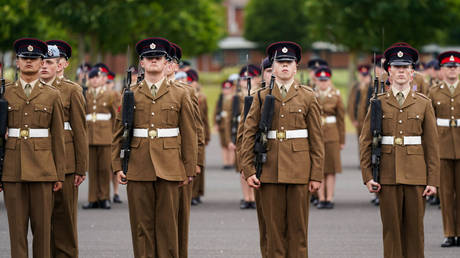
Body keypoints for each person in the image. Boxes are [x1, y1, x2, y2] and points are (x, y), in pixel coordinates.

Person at [112, 37, 197, 258]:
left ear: (165, 61)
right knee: (141, 227)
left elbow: (189, 133)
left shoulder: (180, 93)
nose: (153, 61)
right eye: (148, 58)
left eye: (158, 57)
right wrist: (118, 164)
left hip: (170, 165)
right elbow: (119, 131)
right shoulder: (131, 92)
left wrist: (188, 169)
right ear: (141, 62)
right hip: (139, 164)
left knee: (168, 227)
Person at [241, 41, 324, 257]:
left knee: (298, 231)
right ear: (273, 67)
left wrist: (316, 174)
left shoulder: (308, 96)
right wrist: (248, 169)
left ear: (296, 67)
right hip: (269, 171)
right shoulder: (260, 96)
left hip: (299, 171)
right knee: (273, 232)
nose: (285, 67)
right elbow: (248, 134)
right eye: (280, 63)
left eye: (289, 63)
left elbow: (316, 139)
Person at [360, 42, 439, 258]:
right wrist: (367, 176)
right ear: (389, 72)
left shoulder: (424, 103)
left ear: (413, 73)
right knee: (391, 232)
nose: (401, 71)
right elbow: (365, 141)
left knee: (415, 233)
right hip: (387, 174)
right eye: (396, 67)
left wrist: (433, 180)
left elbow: (432, 145)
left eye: (406, 67)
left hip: (416, 176)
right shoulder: (378, 102)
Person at [1, 38, 66, 258]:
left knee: (42, 231)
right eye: (24, 58)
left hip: (43, 169)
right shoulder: (5, 94)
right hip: (12, 168)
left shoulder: (52, 95)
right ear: (17, 63)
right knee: (16, 231)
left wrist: (59, 173)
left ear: (41, 63)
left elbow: (58, 137)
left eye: (34, 59)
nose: (29, 62)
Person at [40, 43, 88, 258]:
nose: (43, 66)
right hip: (38, 160)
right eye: (42, 61)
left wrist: (81, 167)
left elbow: (80, 131)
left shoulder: (71, 90)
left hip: (67, 163)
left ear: (62, 65)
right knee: (41, 221)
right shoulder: (32, 88)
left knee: (64, 220)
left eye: (49, 62)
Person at [427, 50, 460, 247]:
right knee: (446, 193)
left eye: (455, 67)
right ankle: (449, 232)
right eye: (448, 67)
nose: (452, 70)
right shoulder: (434, 91)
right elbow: (429, 123)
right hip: (442, 146)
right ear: (442, 70)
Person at [83, 66, 117, 209]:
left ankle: (104, 197)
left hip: (105, 136)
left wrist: (115, 136)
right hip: (90, 136)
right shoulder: (85, 94)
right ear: (89, 80)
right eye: (92, 78)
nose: (95, 80)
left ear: (102, 79)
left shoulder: (110, 95)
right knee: (92, 169)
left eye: (97, 78)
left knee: (104, 169)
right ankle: (92, 198)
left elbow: (115, 117)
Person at [314, 66, 345, 209]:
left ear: (329, 80)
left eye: (325, 80)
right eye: (321, 80)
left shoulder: (336, 95)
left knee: (331, 169)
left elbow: (341, 120)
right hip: (317, 134)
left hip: (332, 134)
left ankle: (329, 198)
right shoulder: (312, 94)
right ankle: (321, 198)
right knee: (318, 167)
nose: (323, 83)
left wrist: (342, 140)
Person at [213, 79, 235, 169]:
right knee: (224, 144)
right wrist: (215, 123)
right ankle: (225, 162)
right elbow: (216, 112)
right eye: (224, 88)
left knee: (231, 143)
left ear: (232, 88)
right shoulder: (221, 99)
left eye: (228, 88)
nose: (226, 90)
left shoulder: (235, 99)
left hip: (231, 125)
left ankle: (231, 162)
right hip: (222, 124)